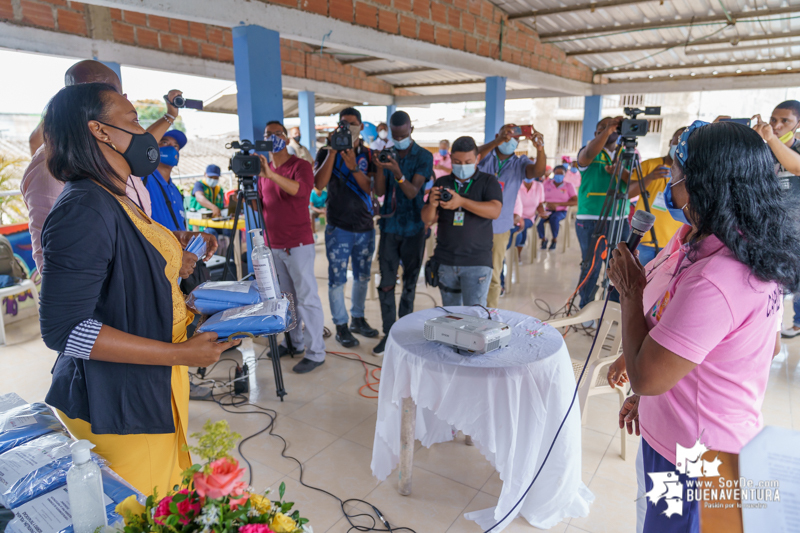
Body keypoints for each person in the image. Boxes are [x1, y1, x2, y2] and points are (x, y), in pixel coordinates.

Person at [39, 82, 239, 496]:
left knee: (167, 499)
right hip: (119, 402)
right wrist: (179, 354)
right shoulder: (83, 207)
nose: (145, 135)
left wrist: (196, 306)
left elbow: (131, 285)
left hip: (154, 381)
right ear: (100, 131)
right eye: (132, 120)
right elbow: (66, 329)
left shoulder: (116, 196)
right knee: (143, 508)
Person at [605, 120, 799, 533]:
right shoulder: (731, 243)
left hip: (699, 459)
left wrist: (629, 293)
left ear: (700, 185)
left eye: (676, 174)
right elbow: (694, 347)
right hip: (689, 437)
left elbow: (647, 377)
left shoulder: (717, 278)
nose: (670, 186)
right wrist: (652, 401)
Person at [21, 60, 183, 275]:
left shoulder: (117, 153)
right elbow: (67, 271)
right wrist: (160, 263)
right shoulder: (53, 170)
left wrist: (168, 242)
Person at [257, 121, 327, 374]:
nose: (273, 138)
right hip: (274, 244)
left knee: (307, 299)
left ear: (286, 139)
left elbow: (302, 192)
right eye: (268, 135)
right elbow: (260, 205)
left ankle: (316, 352)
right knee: (287, 300)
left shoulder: (300, 166)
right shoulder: (262, 171)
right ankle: (294, 343)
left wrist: (271, 175)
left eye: (277, 134)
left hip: (298, 244)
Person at [314, 108, 379, 347]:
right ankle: (341, 324)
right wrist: (333, 151)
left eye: (351, 124)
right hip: (338, 227)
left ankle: (358, 319)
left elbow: (371, 188)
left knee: (362, 277)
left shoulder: (370, 155)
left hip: (364, 226)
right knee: (337, 279)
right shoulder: (325, 152)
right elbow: (319, 184)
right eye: (343, 124)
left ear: (361, 126)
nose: (346, 128)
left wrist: (353, 166)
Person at [372, 111, 433, 355]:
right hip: (389, 228)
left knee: (409, 284)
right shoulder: (388, 154)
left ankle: (404, 333)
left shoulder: (424, 156)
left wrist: (397, 172)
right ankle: (389, 333)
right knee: (385, 284)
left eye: (402, 135)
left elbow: (412, 191)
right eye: (394, 136)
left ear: (411, 130)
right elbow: (379, 191)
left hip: (414, 229)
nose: (398, 139)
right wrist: (379, 167)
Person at [421, 136, 503, 306]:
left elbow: (495, 211)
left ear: (477, 159)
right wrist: (432, 203)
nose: (462, 166)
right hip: (446, 261)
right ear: (450, 159)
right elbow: (427, 219)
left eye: (468, 161)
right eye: (457, 161)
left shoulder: (488, 181)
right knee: (451, 317)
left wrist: (462, 202)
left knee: (474, 317)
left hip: (477, 262)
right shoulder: (442, 182)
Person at [477, 124, 546, 306]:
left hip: (499, 227)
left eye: (514, 137)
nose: (509, 140)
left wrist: (540, 148)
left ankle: (490, 312)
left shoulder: (519, 163)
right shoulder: (485, 156)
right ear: (496, 136)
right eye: (505, 135)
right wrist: (499, 140)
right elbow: (472, 157)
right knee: (471, 270)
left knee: (493, 272)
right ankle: (468, 310)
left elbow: (538, 171)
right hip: (474, 224)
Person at [752, 101, 800, 338]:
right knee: (771, 287)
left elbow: (797, 167)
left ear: (798, 124)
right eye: (773, 120)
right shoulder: (763, 152)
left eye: (785, 121)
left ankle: (797, 324)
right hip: (769, 234)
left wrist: (771, 139)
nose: (777, 125)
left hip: (797, 235)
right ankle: (768, 332)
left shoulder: (796, 150)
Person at [575, 116, 630, 308]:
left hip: (620, 217)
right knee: (592, 265)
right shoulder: (589, 150)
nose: (609, 130)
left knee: (618, 266)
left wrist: (620, 170)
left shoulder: (628, 153)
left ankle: (613, 307)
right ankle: (586, 306)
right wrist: (607, 129)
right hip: (591, 218)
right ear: (596, 132)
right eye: (602, 128)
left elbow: (633, 185)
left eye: (614, 128)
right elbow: (588, 153)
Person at [626, 128, 687, 266]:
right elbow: (628, 193)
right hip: (643, 238)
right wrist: (650, 177)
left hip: (674, 242)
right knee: (637, 281)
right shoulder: (649, 165)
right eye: (677, 140)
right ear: (670, 142)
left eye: (684, 141)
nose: (679, 144)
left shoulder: (689, 172)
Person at [144, 129, 188, 233]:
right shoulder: (143, 179)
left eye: (176, 146)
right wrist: (170, 117)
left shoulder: (176, 191)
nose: (171, 148)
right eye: (164, 142)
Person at [538, 165, 577, 250]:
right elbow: (539, 196)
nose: (558, 175)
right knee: (539, 221)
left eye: (561, 173)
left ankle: (554, 240)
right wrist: (546, 204)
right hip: (547, 209)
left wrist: (558, 204)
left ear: (565, 174)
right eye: (557, 173)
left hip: (561, 211)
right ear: (553, 173)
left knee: (554, 219)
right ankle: (543, 239)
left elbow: (575, 201)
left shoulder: (569, 186)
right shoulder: (547, 183)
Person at [508, 176, 545, 265]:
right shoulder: (516, 185)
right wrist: (517, 217)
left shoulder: (539, 186)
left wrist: (542, 212)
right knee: (513, 228)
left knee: (522, 227)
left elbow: (540, 204)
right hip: (513, 215)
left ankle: (517, 253)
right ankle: (509, 250)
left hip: (529, 217)